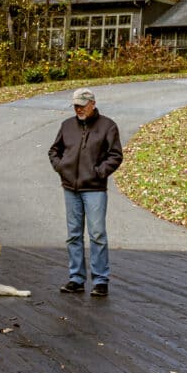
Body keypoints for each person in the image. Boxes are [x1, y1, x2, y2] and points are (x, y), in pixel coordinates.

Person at [48, 87, 122, 296]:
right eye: (75, 105)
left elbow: (115, 155)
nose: (78, 109)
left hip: (95, 188)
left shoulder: (108, 126)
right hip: (70, 187)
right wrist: (61, 167)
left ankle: (100, 281)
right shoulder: (67, 125)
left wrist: (99, 172)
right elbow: (54, 150)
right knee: (73, 235)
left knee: (97, 234)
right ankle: (76, 278)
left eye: (82, 105)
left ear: (92, 104)